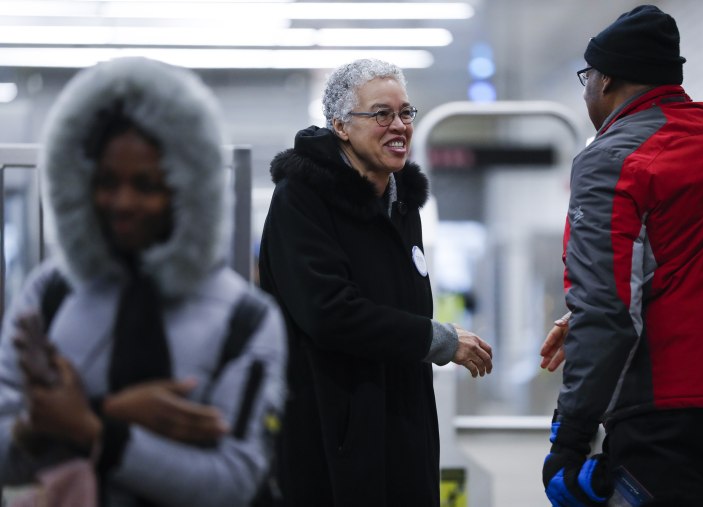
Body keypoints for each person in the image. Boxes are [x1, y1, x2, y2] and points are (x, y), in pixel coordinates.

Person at [0, 57, 287, 507]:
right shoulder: (51, 294)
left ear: (185, 189)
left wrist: (92, 428)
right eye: (107, 181)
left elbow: (232, 483)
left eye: (146, 184)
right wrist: (77, 419)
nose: (122, 202)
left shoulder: (244, 319)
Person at [540, 5, 703, 506]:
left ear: (606, 79)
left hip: (665, 424)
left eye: (586, 78)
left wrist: (569, 434)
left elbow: (609, 310)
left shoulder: (611, 158)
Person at [258, 58, 493, 507]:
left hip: (403, 430)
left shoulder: (400, 203)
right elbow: (330, 312)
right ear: (341, 126)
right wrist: (436, 339)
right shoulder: (301, 200)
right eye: (382, 113)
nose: (399, 125)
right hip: (332, 439)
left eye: (406, 112)